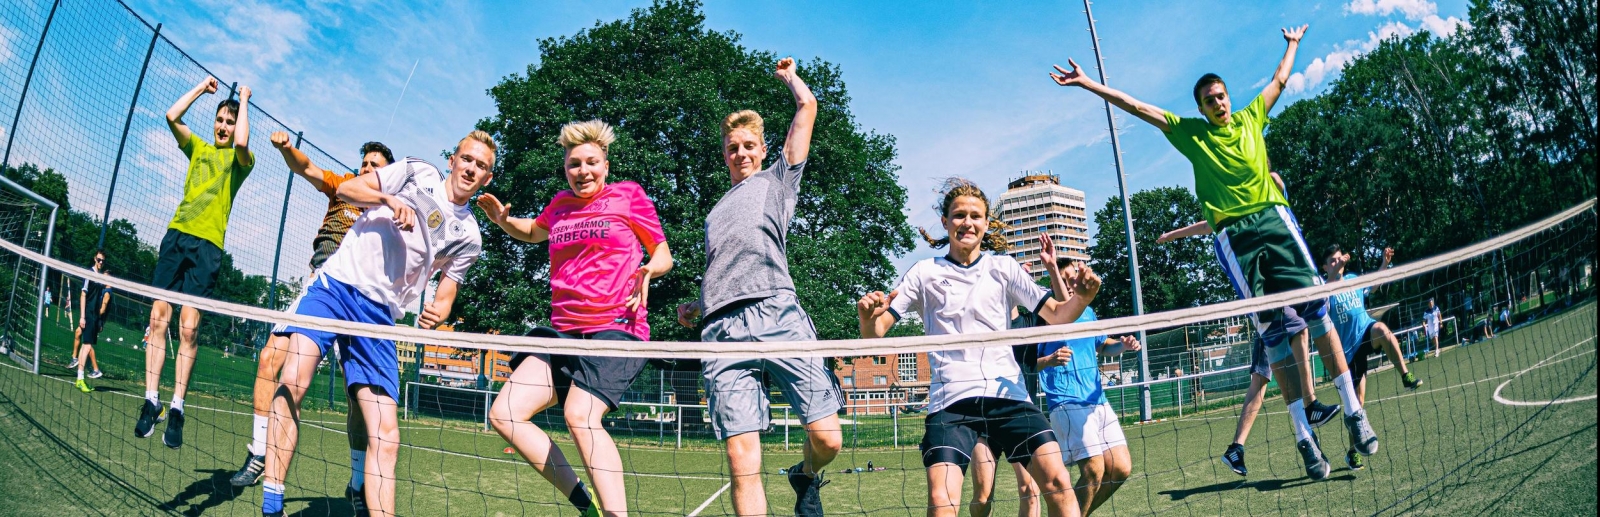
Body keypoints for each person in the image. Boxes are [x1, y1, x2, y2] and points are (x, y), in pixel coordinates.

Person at [1051, 23, 1377, 480]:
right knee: (1274, 338)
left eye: (1223, 96)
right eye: (1211, 100)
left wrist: (1293, 45)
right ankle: (1304, 438)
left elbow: (1280, 80)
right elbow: (1139, 107)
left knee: (1318, 315)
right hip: (1236, 238)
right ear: (1201, 109)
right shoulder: (1192, 136)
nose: (1220, 104)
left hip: (1274, 220)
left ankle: (1352, 411)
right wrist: (1088, 83)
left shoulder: (1250, 118)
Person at [259, 131, 494, 517]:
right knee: (294, 380)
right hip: (336, 286)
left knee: (387, 436)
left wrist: (439, 311)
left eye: (481, 166)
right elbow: (349, 189)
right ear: (453, 159)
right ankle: (272, 504)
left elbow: (447, 291)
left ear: (487, 178)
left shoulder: (469, 236)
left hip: (379, 317)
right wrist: (387, 198)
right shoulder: (417, 172)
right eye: (467, 159)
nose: (471, 168)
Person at [858, 178, 1098, 517]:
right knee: (943, 502)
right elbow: (875, 334)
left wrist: (1084, 297)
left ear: (986, 223)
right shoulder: (924, 273)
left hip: (1010, 398)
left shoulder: (1004, 268)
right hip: (951, 402)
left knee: (1058, 483)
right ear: (945, 222)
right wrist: (868, 317)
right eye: (958, 215)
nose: (967, 222)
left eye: (975, 216)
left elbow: (1058, 317)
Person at [674, 57, 841, 517]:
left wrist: (790, 79)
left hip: (777, 314)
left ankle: (804, 473)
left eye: (749, 145)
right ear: (724, 154)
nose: (741, 153)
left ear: (764, 149)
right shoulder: (712, 213)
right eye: (733, 147)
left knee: (828, 437)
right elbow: (723, 268)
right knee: (741, 460)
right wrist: (698, 304)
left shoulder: (779, 182)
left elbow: (807, 108)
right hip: (720, 331)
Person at [480, 119, 672, 517]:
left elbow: (662, 253)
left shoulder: (629, 196)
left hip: (617, 328)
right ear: (565, 168)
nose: (583, 171)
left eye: (591, 162)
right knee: (505, 413)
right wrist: (502, 221)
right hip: (562, 332)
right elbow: (533, 232)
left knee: (579, 416)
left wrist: (649, 270)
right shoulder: (560, 205)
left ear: (606, 164)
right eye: (574, 164)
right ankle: (587, 505)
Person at [229, 133, 395, 513]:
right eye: (365, 164)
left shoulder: (389, 212)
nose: (367, 169)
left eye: (377, 167)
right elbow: (305, 167)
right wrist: (287, 148)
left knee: (359, 396)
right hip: (323, 285)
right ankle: (259, 454)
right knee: (272, 359)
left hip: (362, 299)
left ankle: (356, 484)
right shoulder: (344, 188)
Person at [1155, 174, 1342, 477]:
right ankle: (1310, 407)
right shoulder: (1236, 208)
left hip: (1272, 307)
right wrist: (1175, 234)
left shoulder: (1270, 201)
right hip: (1271, 306)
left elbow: (1278, 182)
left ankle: (1238, 447)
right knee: (1296, 332)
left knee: (1260, 382)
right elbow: (1209, 225)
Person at [136, 77, 255, 449]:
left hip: (208, 248)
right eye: (220, 120)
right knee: (159, 317)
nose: (223, 126)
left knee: (188, 328)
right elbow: (172, 115)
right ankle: (151, 400)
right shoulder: (199, 148)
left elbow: (242, 143)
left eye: (229, 121)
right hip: (176, 237)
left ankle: (177, 407)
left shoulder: (240, 163)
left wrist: (244, 101)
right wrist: (201, 91)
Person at [1031, 256, 1141, 516]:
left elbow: (1103, 346)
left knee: (1121, 468)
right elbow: (1025, 363)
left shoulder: (1089, 312)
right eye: (1065, 279)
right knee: (1094, 468)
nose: (1071, 283)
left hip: (1098, 401)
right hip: (1066, 401)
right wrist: (1048, 360)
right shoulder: (1047, 315)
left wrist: (1123, 345)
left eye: (1073, 278)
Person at [1321, 245, 1422, 470]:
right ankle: (1351, 452)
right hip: (1348, 352)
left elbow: (1374, 286)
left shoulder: (1354, 278)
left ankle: (1405, 375)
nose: (1338, 261)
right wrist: (1333, 273)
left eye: (1339, 258)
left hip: (1366, 331)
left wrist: (1385, 263)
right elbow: (1320, 300)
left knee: (1383, 330)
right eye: (1333, 260)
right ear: (1325, 266)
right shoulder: (1324, 289)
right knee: (1356, 403)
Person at [74, 251, 112, 392]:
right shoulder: (89, 273)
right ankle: (80, 379)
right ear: (94, 259)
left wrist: (99, 321)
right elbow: (83, 295)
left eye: (103, 261)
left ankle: (80, 379)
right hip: (88, 314)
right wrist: (82, 316)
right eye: (99, 260)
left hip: (95, 316)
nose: (101, 262)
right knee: (87, 346)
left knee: (86, 346)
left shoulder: (100, 277)